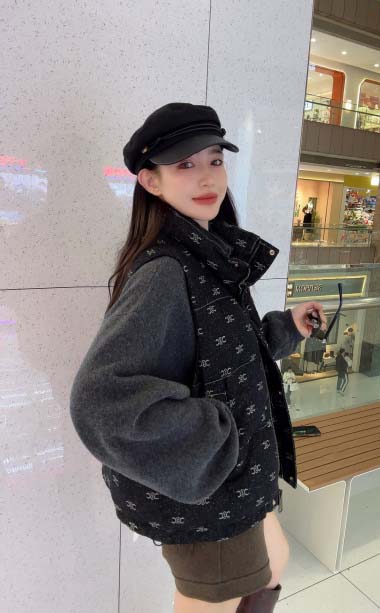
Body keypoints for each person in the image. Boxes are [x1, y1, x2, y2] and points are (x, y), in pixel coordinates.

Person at [69, 102, 327, 613]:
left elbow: (224, 357)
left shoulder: (209, 255)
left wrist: (286, 329)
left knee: (274, 562)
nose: (207, 177)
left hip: (236, 479)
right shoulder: (166, 272)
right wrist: (215, 436)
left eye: (214, 160)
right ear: (151, 181)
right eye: (184, 165)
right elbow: (97, 403)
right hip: (211, 494)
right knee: (227, 594)